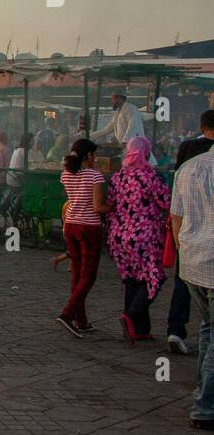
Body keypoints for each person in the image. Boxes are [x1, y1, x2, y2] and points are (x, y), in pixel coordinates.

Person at [107, 137, 170, 343]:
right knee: (154, 278)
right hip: (145, 236)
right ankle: (131, 314)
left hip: (119, 236)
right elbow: (166, 203)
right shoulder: (151, 177)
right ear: (146, 152)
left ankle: (140, 329)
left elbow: (109, 204)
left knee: (132, 279)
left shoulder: (117, 178)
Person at [171, 148, 214, 429]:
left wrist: (181, 249)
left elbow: (176, 215)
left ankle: (203, 396)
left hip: (191, 261)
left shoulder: (188, 167)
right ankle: (204, 406)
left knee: (208, 328)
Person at [165, 110, 214, 353]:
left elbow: (176, 212)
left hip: (188, 239)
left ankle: (175, 330)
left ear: (202, 125)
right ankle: (205, 391)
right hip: (208, 247)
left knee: (182, 286)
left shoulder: (188, 152)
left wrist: (179, 245)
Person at [57, 138, 112, 338]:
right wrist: (116, 207)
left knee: (77, 274)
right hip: (89, 228)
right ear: (88, 155)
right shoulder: (94, 176)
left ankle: (81, 321)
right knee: (88, 275)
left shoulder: (66, 174)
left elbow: (74, 199)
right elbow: (98, 207)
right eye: (93, 155)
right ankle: (67, 313)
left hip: (70, 225)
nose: (95, 158)